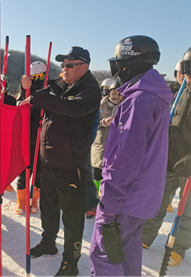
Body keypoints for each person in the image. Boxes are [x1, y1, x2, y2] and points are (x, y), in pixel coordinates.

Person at [89, 35, 174, 277]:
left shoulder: (139, 100)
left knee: (105, 252)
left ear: (130, 63)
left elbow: (125, 157)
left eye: (119, 64)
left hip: (127, 195)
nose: (117, 71)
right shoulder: (154, 95)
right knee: (127, 249)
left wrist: (110, 199)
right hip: (144, 196)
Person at [21, 46, 101, 277]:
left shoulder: (90, 90)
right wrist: (28, 86)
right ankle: (48, 242)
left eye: (69, 65)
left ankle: (71, 262)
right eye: (62, 65)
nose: (63, 70)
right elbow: (39, 94)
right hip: (48, 161)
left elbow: (72, 108)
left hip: (70, 165)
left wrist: (39, 96)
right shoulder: (61, 84)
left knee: (72, 217)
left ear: (83, 67)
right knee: (48, 206)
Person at [142, 46, 191, 267]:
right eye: (186, 68)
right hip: (169, 158)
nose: (187, 74)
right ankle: (144, 238)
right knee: (156, 202)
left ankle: (177, 246)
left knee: (187, 210)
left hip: (189, 165)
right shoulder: (179, 91)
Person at [15, 61, 46, 215]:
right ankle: (21, 200)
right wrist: (23, 90)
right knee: (23, 171)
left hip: (42, 140)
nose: (38, 79)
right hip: (26, 140)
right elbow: (18, 106)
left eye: (41, 76)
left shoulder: (48, 92)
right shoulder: (25, 92)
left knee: (39, 173)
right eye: (35, 77)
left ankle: (34, 200)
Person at [91, 81, 124, 193]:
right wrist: (103, 122)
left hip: (116, 142)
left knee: (111, 169)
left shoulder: (124, 106)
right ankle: (95, 190)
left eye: (119, 94)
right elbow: (91, 120)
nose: (116, 97)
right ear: (109, 93)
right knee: (97, 168)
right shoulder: (100, 104)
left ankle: (105, 191)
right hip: (100, 140)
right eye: (114, 93)